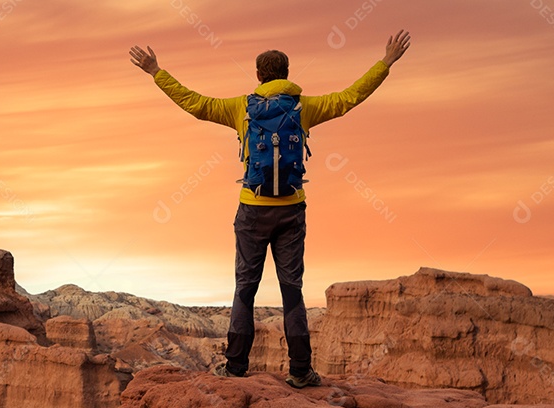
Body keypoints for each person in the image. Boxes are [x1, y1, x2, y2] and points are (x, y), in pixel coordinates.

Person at [129, 30, 411, 387]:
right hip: (292, 209)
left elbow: (195, 104)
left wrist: (157, 71)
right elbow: (349, 98)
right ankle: (300, 370)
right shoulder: (303, 106)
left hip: (252, 210)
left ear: (259, 76)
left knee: (245, 287)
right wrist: (385, 63)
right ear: (287, 73)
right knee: (291, 288)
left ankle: (235, 367)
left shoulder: (240, 108)